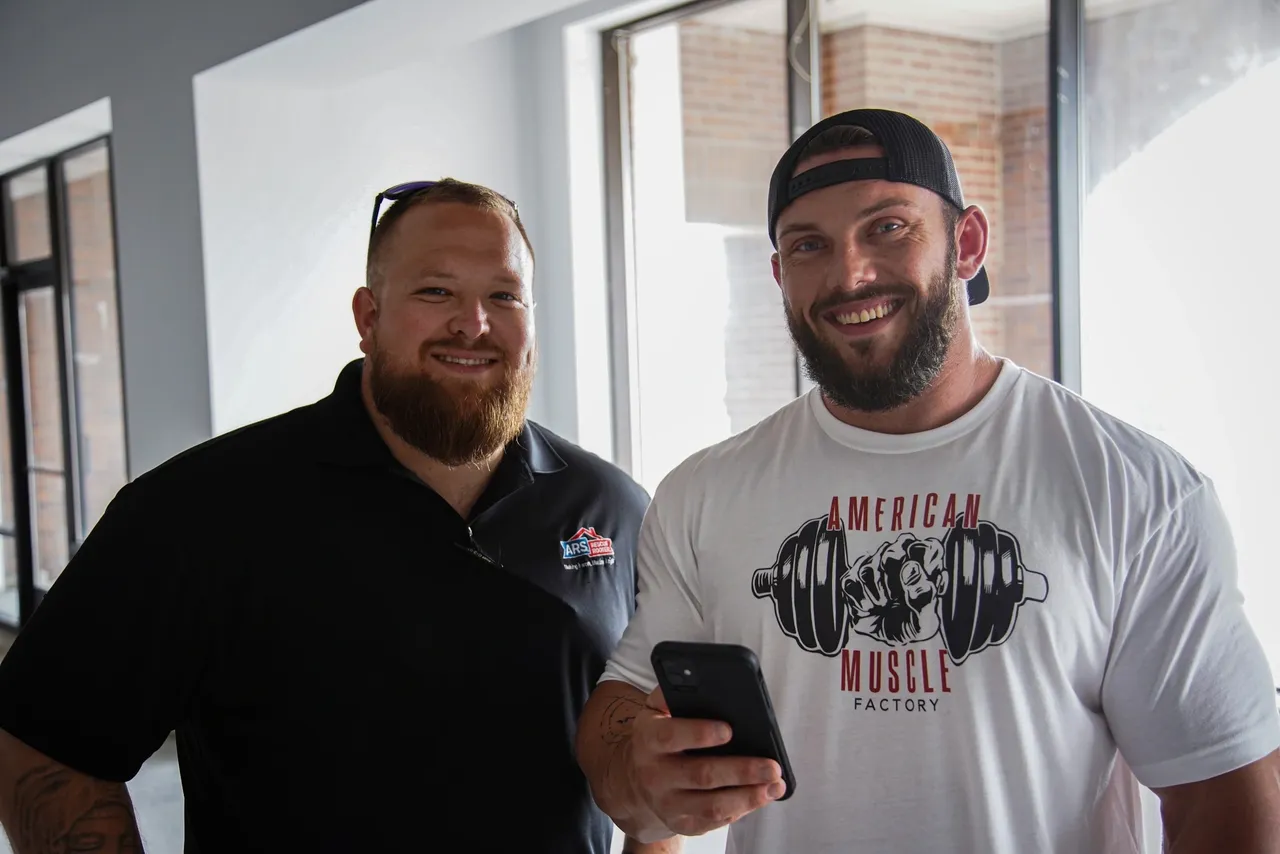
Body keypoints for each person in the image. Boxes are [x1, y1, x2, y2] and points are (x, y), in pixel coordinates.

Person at [575, 109, 1280, 853]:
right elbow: (619, 727)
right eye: (809, 245)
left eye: (888, 228)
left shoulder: (1135, 490)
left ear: (967, 243)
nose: (850, 275)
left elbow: (1227, 798)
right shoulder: (705, 494)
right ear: (780, 275)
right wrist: (641, 777)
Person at [0, 178, 674, 853]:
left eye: (504, 295)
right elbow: (44, 746)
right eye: (436, 291)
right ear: (367, 317)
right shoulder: (199, 510)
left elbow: (658, 750)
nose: (474, 323)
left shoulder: (614, 510)